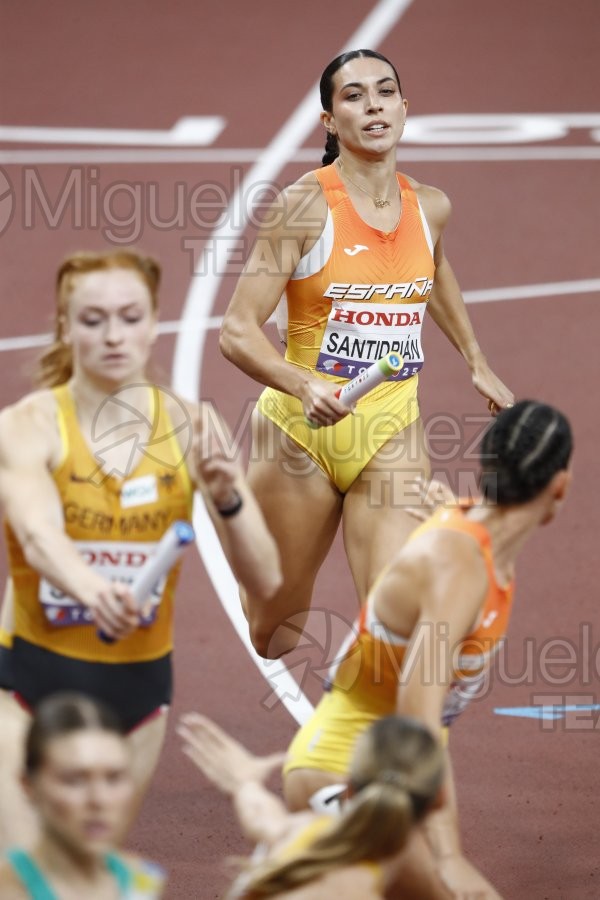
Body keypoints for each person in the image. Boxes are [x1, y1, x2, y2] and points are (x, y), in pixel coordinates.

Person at [220, 48, 514, 660]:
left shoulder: (429, 206)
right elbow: (237, 331)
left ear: (405, 108)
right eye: (353, 96)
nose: (372, 104)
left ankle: (371, 735)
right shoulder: (302, 209)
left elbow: (431, 271)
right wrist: (303, 386)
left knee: (397, 624)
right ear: (329, 120)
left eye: (385, 92)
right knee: (274, 632)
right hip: (300, 438)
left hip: (391, 432)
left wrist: (475, 357)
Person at [0, 249, 282, 850]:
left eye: (129, 317)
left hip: (137, 688)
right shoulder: (28, 425)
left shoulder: (188, 424)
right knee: (25, 872)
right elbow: (39, 536)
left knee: (90, 868)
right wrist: (94, 590)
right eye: (93, 319)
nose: (112, 335)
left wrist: (231, 498)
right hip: (31, 679)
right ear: (64, 326)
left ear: (154, 322)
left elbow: (265, 580)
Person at [282, 400, 573, 898]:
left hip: (390, 779)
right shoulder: (460, 567)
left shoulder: (478, 543)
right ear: (559, 486)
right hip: (345, 774)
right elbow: (418, 722)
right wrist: (446, 856)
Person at [177, 711, 445, 899]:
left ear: (347, 788)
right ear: (438, 802)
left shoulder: (305, 831)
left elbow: (265, 819)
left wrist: (245, 783)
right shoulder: (357, 888)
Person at [0, 691, 166, 899]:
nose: (99, 799)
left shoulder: (141, 880)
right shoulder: (8, 890)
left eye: (113, 778)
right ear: (28, 786)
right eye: (74, 780)